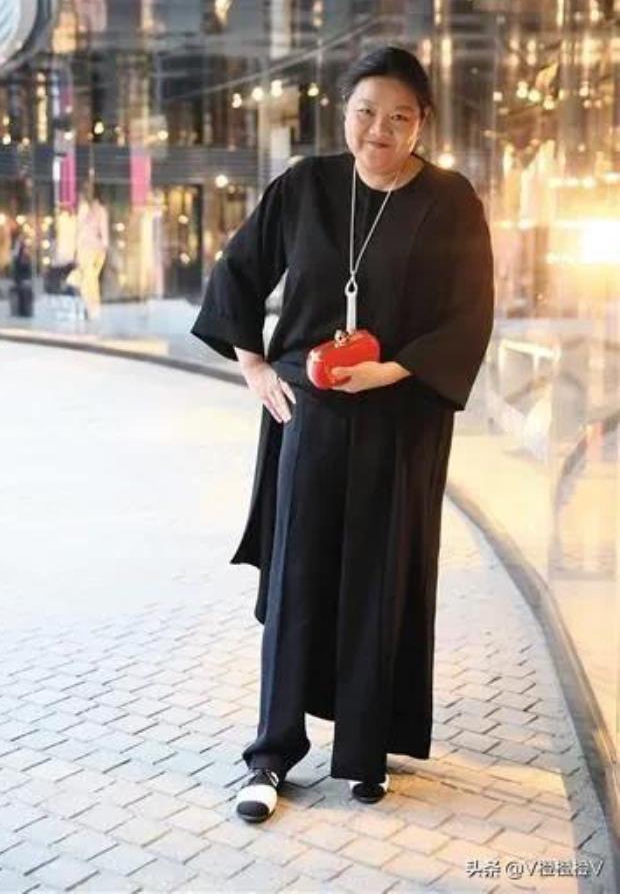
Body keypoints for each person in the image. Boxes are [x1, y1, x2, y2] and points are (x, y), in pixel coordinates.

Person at [190, 46, 495, 823]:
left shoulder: (450, 200)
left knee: (378, 583)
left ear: (422, 123)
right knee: (297, 582)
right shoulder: (306, 186)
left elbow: (468, 314)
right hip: (312, 420)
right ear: (344, 113)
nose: (379, 130)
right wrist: (256, 367)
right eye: (366, 112)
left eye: (398, 116)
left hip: (399, 422)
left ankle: (364, 752)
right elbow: (236, 272)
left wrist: (390, 371)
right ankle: (270, 756)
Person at [74, 184, 109, 322]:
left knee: (89, 279)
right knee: (88, 279)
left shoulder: (97, 210)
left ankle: (92, 308)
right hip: (87, 248)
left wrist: (103, 247)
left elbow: (103, 233)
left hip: (91, 248)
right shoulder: (86, 209)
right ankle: (91, 308)